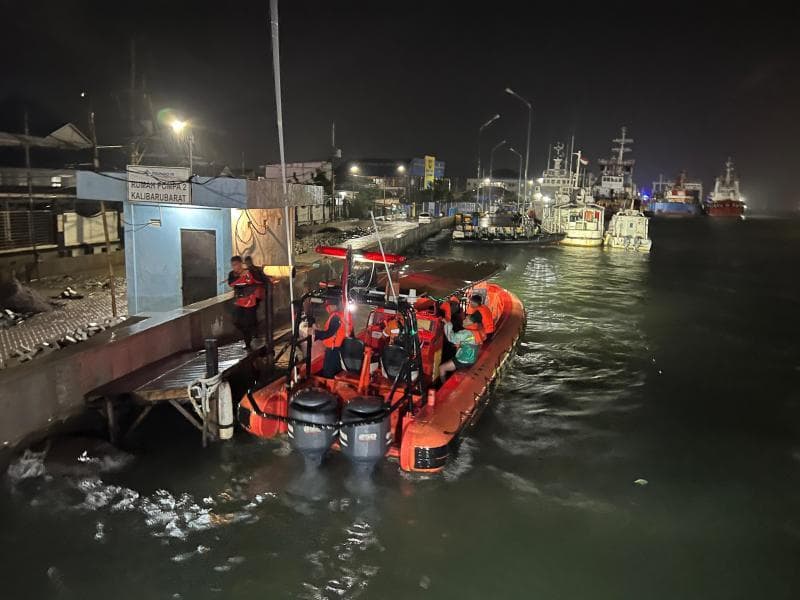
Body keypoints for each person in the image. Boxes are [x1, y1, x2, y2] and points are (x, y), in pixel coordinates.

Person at [439, 312, 482, 381]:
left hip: (464, 360)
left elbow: (451, 338)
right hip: (472, 357)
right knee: (451, 355)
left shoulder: (466, 333)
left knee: (441, 368)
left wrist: (447, 323)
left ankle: (442, 385)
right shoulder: (477, 329)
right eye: (465, 318)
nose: (464, 320)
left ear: (473, 323)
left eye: (467, 320)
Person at [228, 256, 258, 349]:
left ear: (240, 264)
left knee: (248, 323)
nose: (234, 267)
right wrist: (239, 278)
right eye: (233, 265)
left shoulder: (248, 272)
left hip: (249, 301)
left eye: (236, 265)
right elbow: (231, 283)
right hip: (239, 301)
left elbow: (253, 283)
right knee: (236, 321)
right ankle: (249, 334)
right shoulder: (232, 274)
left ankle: (248, 343)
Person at [313, 298, 349, 378]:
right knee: (337, 369)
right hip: (341, 348)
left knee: (328, 372)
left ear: (333, 306)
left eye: (328, 306)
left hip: (333, 350)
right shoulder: (343, 315)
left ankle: (328, 385)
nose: (327, 309)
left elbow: (329, 333)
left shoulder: (335, 317)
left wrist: (315, 333)